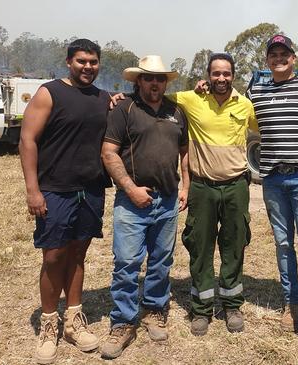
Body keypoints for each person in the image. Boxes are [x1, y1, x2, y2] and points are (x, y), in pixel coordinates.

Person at [19, 39, 111, 364]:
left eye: (94, 62)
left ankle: (73, 320)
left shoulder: (103, 99)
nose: (88, 67)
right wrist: (33, 189)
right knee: (54, 256)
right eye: (82, 61)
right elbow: (27, 140)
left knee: (78, 254)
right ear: (69, 61)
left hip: (91, 189)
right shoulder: (49, 92)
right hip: (54, 189)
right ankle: (48, 324)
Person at [98, 55, 189, 359]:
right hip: (132, 201)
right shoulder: (124, 109)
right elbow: (109, 153)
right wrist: (131, 189)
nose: (154, 83)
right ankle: (123, 322)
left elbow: (184, 153)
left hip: (167, 200)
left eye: (160, 78)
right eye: (148, 78)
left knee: (162, 261)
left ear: (166, 82)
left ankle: (154, 310)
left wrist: (185, 186)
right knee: (126, 263)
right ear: (138, 80)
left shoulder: (177, 111)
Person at [245, 34, 298, 339]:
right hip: (273, 180)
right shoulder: (256, 90)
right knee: (282, 244)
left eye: (284, 53)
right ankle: (292, 305)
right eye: (273, 54)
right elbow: (228, 102)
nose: (278, 58)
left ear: (294, 57)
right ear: (267, 60)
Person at [170, 53, 258, 336]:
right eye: (216, 73)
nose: (221, 78)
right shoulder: (191, 99)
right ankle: (201, 309)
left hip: (236, 186)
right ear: (207, 75)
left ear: (233, 75)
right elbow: (153, 94)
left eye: (226, 73)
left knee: (234, 245)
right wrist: (118, 99)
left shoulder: (245, 105)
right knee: (200, 246)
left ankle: (232, 305)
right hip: (202, 187)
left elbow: (265, 128)